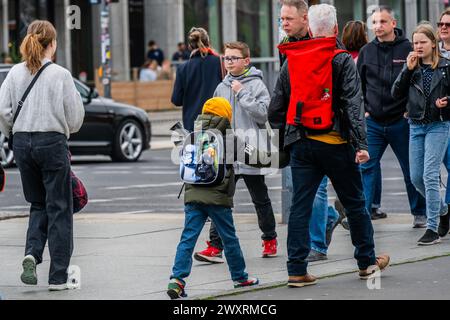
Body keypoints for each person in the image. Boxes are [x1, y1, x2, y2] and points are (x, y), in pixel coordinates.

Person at [269, 3, 390, 287]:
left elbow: (275, 109)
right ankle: (366, 263)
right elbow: (352, 105)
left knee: (301, 206)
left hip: (301, 144)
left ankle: (297, 270)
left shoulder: (293, 59)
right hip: (336, 144)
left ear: (309, 28)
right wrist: (361, 144)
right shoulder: (342, 59)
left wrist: (286, 137)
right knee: (355, 203)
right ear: (335, 29)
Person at [0, 20, 85, 291]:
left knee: (37, 203)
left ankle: (32, 252)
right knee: (60, 208)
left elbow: (4, 111)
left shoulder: (14, 73)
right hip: (52, 141)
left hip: (22, 142)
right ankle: (58, 276)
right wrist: (65, 130)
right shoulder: (60, 74)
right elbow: (75, 117)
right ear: (52, 44)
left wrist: (14, 132)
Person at [193, 41, 278, 263]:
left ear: (246, 61)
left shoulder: (257, 85)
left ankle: (269, 238)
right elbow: (214, 116)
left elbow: (262, 115)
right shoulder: (221, 87)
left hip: (250, 150)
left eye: (233, 58)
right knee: (219, 198)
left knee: (260, 198)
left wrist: (242, 94)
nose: (229, 62)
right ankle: (215, 246)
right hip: (227, 151)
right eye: (226, 58)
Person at [167, 97, 259, 299]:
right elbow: (257, 157)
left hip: (193, 196)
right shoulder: (230, 138)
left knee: (188, 238)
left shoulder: (192, 135)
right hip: (218, 198)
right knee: (229, 238)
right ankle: (240, 277)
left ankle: (177, 280)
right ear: (226, 115)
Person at [277, 0, 346, 262]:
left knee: (315, 190)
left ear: (305, 19)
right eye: (281, 19)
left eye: (288, 19)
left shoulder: (324, 39)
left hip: (324, 125)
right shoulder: (287, 44)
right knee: (301, 189)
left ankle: (318, 245)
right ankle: (329, 217)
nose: (284, 23)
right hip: (297, 124)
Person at [357, 5, 427, 226]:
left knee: (411, 170)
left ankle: (420, 214)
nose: (378, 26)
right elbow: (358, 86)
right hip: (374, 122)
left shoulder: (408, 48)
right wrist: (364, 111)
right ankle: (363, 215)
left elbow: (418, 82)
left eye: (383, 22)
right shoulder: (366, 51)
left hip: (401, 121)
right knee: (366, 168)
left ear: (393, 24)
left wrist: (410, 108)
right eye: (375, 22)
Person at [392, 23, 450, 245]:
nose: (418, 46)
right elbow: (395, 93)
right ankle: (444, 210)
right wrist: (406, 69)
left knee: (429, 174)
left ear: (433, 44)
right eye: (415, 42)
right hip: (415, 126)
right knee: (416, 178)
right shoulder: (412, 67)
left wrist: (447, 102)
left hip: (439, 125)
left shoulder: (445, 66)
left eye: (422, 42)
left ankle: (432, 228)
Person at [171, 27, 223, 132]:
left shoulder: (183, 68)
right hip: (218, 119)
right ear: (208, 42)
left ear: (190, 46)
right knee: (219, 147)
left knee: (197, 148)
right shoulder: (221, 62)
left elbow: (176, 100)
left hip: (192, 123)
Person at [436, 8, 450, 237]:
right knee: (422, 174)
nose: (444, 28)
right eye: (441, 24)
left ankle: (446, 212)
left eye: (448, 24)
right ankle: (443, 209)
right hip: (436, 119)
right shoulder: (432, 52)